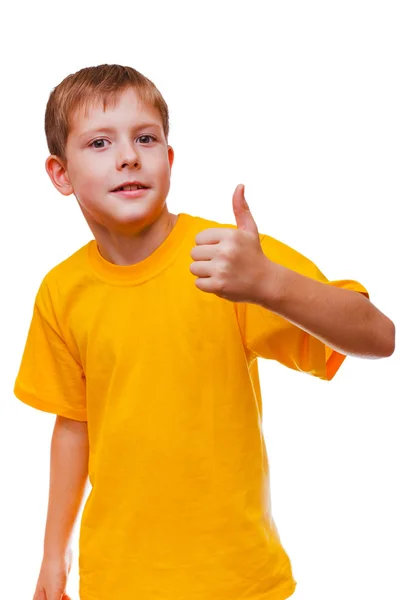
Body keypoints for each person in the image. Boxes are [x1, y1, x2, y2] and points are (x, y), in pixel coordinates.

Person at [14, 64, 395, 600]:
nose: (128, 155)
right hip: (116, 581)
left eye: (145, 138)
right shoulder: (61, 290)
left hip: (237, 580)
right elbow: (74, 425)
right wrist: (54, 554)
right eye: (100, 142)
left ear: (168, 159)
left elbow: (378, 336)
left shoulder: (227, 260)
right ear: (60, 174)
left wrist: (269, 283)